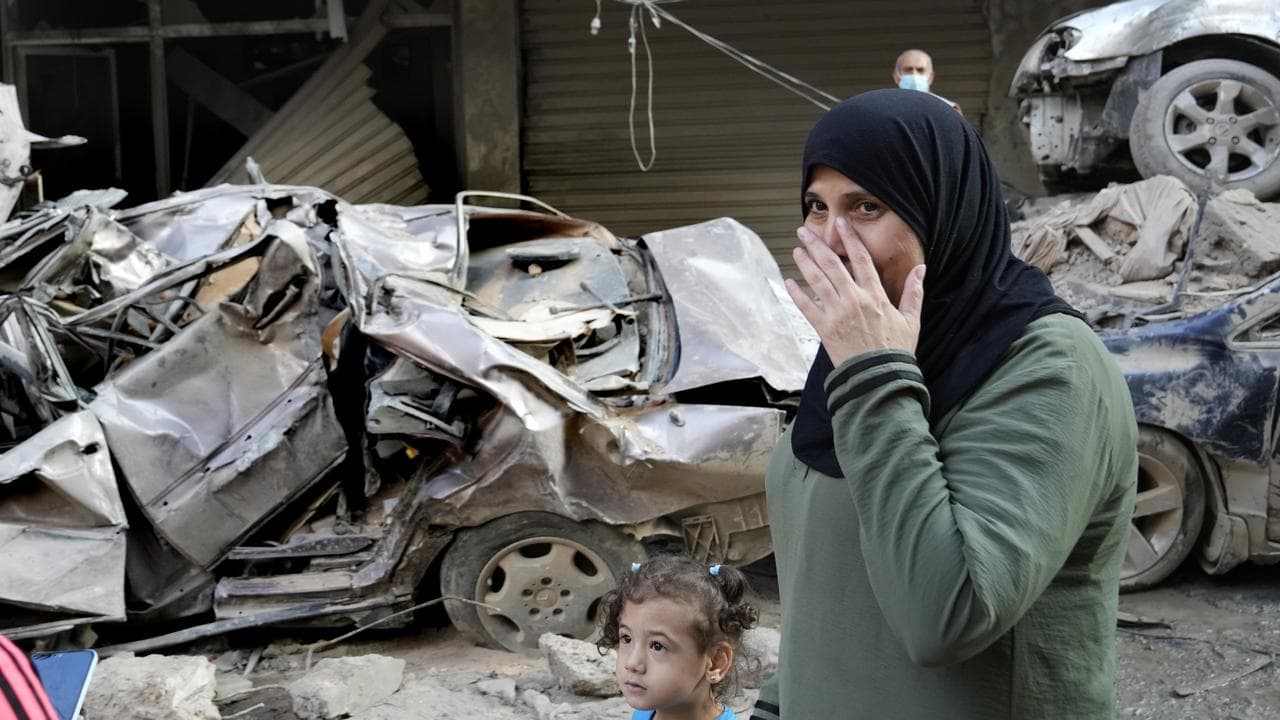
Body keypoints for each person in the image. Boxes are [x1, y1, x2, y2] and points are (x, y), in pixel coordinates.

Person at [750, 89, 1137, 719]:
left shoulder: (1047, 366)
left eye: (866, 206)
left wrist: (877, 377)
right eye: (816, 208)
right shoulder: (854, 355)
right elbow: (821, 584)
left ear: (944, 208)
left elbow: (945, 617)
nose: (834, 239)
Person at [599, 555, 759, 720]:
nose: (632, 663)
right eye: (626, 638)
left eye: (657, 646)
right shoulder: (644, 714)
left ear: (716, 661)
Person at [893, 48, 962, 114]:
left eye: (920, 70)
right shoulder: (887, 107)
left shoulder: (949, 109)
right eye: (908, 70)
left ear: (930, 78)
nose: (914, 74)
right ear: (896, 77)